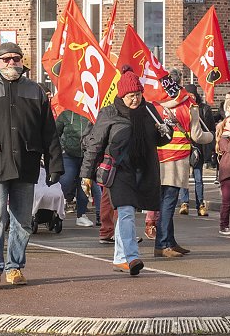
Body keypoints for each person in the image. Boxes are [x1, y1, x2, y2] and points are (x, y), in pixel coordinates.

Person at [0, 42, 63, 288]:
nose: (11, 63)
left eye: (16, 58)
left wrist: (54, 164)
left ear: (22, 61)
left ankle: (15, 267)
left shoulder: (35, 91)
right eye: (5, 59)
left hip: (26, 163)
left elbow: (49, 131)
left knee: (23, 220)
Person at [81, 66, 172, 274]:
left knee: (127, 213)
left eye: (138, 95)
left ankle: (120, 258)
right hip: (118, 171)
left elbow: (159, 140)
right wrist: (86, 175)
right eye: (131, 96)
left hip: (143, 170)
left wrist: (167, 131)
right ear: (122, 95)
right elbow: (95, 143)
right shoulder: (109, 113)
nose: (135, 100)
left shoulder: (148, 111)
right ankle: (132, 257)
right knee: (126, 211)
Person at [154, 69, 213, 258]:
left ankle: (169, 241)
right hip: (178, 158)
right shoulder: (190, 104)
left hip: (160, 157)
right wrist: (211, 136)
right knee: (169, 203)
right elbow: (197, 135)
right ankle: (163, 244)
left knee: (164, 201)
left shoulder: (157, 104)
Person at [178, 84, 215, 217]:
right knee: (183, 177)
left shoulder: (204, 109)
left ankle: (200, 204)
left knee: (198, 178)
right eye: (188, 95)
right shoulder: (181, 108)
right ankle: (184, 202)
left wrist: (209, 147)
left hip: (198, 148)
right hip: (184, 146)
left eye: (192, 95)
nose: (190, 97)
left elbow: (210, 129)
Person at [56, 109, 97, 227]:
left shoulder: (92, 113)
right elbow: (55, 132)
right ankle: (57, 208)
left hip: (88, 155)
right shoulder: (66, 114)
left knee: (85, 185)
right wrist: (61, 148)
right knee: (66, 181)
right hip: (68, 155)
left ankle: (81, 214)